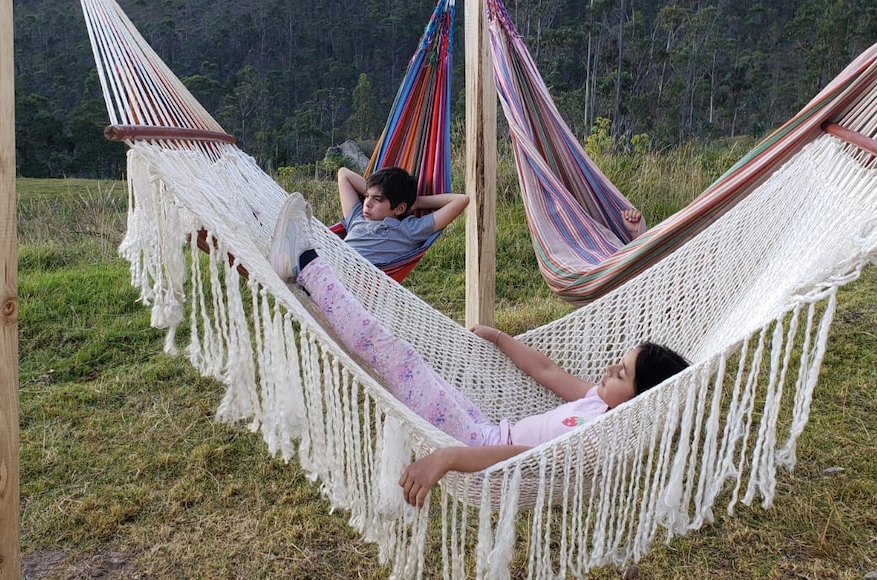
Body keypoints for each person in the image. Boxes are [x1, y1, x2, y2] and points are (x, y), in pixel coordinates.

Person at [270, 194, 689, 507]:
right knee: (396, 356)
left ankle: (306, 263)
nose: (611, 367)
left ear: (640, 400)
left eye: (622, 373)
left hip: (478, 456)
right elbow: (546, 371)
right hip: (481, 428)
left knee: (395, 355)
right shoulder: (597, 403)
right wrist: (503, 339)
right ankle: (309, 278)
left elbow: (528, 459)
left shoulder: (599, 438)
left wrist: (450, 457)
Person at [336, 166, 469, 268]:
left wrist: (417, 202)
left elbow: (461, 200)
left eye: (377, 199)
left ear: (400, 208)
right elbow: (344, 174)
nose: (367, 204)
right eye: (366, 196)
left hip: (359, 278)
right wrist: (375, 191)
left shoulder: (409, 229)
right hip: (332, 264)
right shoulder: (357, 218)